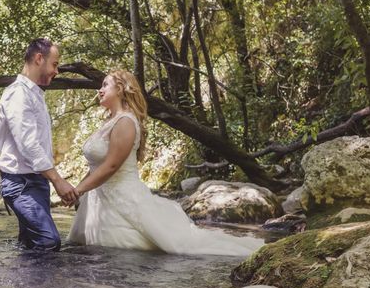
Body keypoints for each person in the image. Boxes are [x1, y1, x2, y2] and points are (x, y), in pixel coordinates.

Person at [67, 70, 264, 256]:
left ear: (120, 89)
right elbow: (95, 166)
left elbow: (111, 166)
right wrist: (77, 191)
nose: (99, 90)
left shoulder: (125, 122)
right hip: (97, 203)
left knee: (138, 249)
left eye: (105, 85)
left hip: (121, 196)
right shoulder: (109, 122)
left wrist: (79, 190)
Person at [0, 38, 79, 251]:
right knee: (48, 241)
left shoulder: (34, 93)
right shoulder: (18, 94)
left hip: (35, 182)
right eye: (55, 64)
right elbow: (29, 145)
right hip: (21, 183)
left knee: (30, 244)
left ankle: (26, 284)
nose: (57, 71)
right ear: (39, 59)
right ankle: (42, 285)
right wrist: (58, 181)